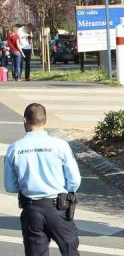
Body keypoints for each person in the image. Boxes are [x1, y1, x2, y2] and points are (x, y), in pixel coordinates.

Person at [4, 103, 82, 255]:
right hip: (59, 208)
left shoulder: (15, 148)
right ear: (45, 120)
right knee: (70, 251)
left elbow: (10, 186)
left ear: (25, 120)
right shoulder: (60, 145)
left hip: (31, 210)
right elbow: (75, 180)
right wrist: (65, 191)